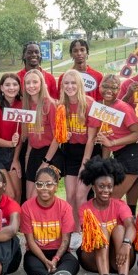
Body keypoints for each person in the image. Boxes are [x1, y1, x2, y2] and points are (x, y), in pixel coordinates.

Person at [20, 166, 80, 275]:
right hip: (36, 253)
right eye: (40, 184)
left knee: (73, 262)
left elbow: (66, 240)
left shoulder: (65, 207)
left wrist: (56, 259)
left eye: (49, 184)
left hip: (60, 252)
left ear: (56, 186)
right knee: (29, 263)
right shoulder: (27, 207)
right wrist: (45, 260)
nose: (44, 188)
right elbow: (30, 241)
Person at [76, 157, 135, 275]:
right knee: (101, 230)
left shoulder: (120, 205)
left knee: (120, 229)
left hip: (118, 257)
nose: (106, 190)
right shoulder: (85, 209)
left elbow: (131, 226)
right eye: (101, 186)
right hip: (93, 258)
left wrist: (126, 244)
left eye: (109, 186)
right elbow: (90, 237)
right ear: (93, 187)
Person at [86, 74, 138, 213]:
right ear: (99, 87)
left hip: (133, 154)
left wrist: (112, 142)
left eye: (114, 87)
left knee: (111, 198)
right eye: (105, 86)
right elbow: (104, 138)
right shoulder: (99, 108)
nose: (109, 90)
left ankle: (122, 224)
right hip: (119, 154)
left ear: (119, 89)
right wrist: (104, 165)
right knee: (120, 202)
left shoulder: (123, 107)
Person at [16, 69, 63, 201]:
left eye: (35, 82)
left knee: (37, 196)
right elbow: (31, 137)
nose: (31, 86)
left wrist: (46, 162)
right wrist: (27, 157)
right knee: (29, 199)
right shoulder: (27, 106)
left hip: (50, 154)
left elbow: (57, 138)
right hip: (34, 154)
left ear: (42, 83)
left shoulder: (50, 105)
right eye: (28, 83)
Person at [58, 69, 98, 220]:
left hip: (89, 152)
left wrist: (84, 164)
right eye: (66, 83)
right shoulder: (62, 105)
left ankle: (86, 229)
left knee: (81, 196)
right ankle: (73, 230)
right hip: (71, 152)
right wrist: (64, 136)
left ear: (80, 84)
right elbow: (60, 134)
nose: (70, 86)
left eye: (73, 83)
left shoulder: (89, 104)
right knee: (70, 196)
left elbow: (91, 138)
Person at [0, 73, 23, 201]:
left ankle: (15, 215)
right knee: (9, 195)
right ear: (1, 87)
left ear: (19, 87)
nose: (11, 88)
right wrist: (11, 143)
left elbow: (21, 137)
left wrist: (16, 159)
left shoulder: (22, 105)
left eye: (15, 84)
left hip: (14, 153)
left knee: (18, 194)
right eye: (7, 85)